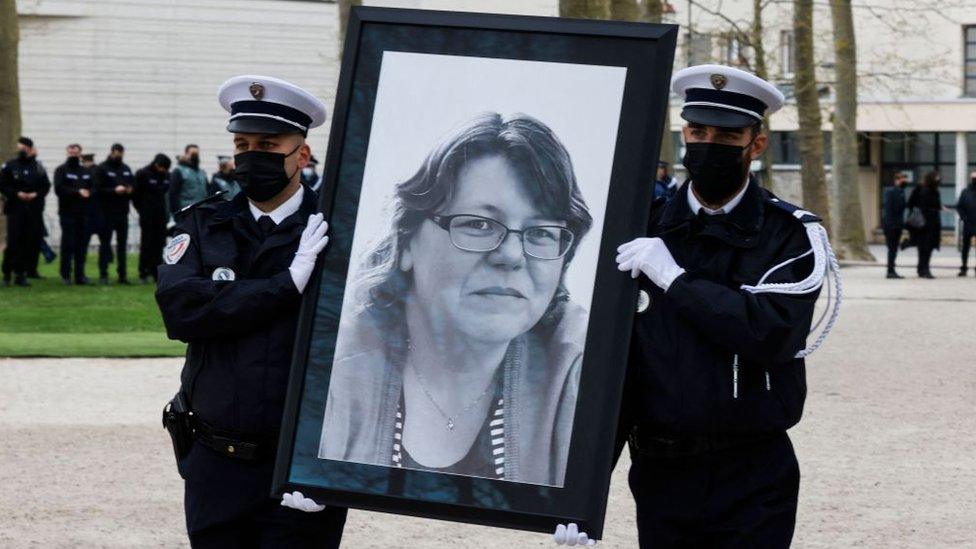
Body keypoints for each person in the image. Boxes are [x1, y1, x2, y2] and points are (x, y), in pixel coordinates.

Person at [560, 65, 841, 548]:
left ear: (757, 144)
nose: (709, 144)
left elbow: (771, 334)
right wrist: (579, 496)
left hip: (752, 470)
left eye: (728, 135)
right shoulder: (639, 228)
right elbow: (614, 368)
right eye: (698, 131)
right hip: (662, 470)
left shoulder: (791, 235)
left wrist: (676, 280)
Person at [319, 113, 593, 487]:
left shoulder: (578, 370)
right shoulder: (332, 366)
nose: (512, 255)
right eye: (479, 224)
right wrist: (305, 479)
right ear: (406, 243)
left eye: (542, 232)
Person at [156, 74, 346, 546]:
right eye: (243, 144)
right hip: (215, 460)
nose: (251, 155)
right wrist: (285, 287)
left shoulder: (338, 229)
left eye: (268, 143)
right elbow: (182, 312)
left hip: (301, 466)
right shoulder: (202, 222)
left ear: (301, 154)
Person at [1, 136, 50, 287]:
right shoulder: (10, 165)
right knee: (14, 242)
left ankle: (21, 274)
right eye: (19, 147)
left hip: (32, 210)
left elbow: (46, 185)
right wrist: (16, 194)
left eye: (23, 147)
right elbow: (2, 184)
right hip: (16, 209)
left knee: (27, 242)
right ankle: (7, 274)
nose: (20, 149)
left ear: (29, 149)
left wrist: (35, 194)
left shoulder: (38, 167)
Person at [93, 143, 134, 284]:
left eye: (121, 153)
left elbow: (132, 186)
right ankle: (103, 274)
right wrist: (114, 190)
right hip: (106, 213)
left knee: (122, 245)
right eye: (116, 153)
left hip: (123, 213)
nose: (119, 155)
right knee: (105, 244)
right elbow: (97, 190)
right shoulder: (102, 168)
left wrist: (129, 190)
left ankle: (122, 275)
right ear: (111, 152)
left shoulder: (126, 169)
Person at [53, 143, 94, 285]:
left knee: (81, 246)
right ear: (67, 153)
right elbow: (59, 189)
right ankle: (65, 275)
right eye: (70, 152)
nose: (73, 155)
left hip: (83, 214)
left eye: (75, 153)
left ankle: (80, 275)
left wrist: (89, 192)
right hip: (67, 214)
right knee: (68, 245)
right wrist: (77, 192)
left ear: (80, 154)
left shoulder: (86, 171)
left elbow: (93, 188)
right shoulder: (61, 170)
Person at [133, 153, 172, 283]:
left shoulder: (166, 175)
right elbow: (135, 195)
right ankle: (143, 272)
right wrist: (142, 210)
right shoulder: (143, 174)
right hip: (147, 214)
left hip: (160, 215)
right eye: (163, 168)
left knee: (159, 243)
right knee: (146, 243)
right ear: (157, 164)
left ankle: (156, 271)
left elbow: (165, 193)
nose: (164, 171)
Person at [906, 171, 944, 279]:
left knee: (927, 247)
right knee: (924, 247)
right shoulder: (920, 189)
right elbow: (910, 203)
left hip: (932, 223)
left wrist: (939, 207)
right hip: (922, 223)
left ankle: (922, 268)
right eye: (936, 177)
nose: (938, 179)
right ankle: (924, 269)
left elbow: (936, 205)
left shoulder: (935, 191)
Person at [882, 171, 908, 279]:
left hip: (897, 225)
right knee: (892, 248)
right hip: (891, 225)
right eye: (903, 179)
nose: (905, 181)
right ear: (897, 180)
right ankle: (890, 270)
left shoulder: (901, 192)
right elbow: (889, 210)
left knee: (894, 248)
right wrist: (891, 224)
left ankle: (892, 269)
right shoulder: (891, 192)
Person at [168, 144, 208, 215]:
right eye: (193, 154)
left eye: (197, 154)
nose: (195, 156)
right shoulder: (179, 171)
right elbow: (173, 194)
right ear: (186, 154)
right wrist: (176, 213)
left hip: (201, 211)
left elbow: (207, 192)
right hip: (186, 213)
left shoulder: (202, 173)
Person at [956, 171, 976, 277]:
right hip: (968, 223)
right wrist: (964, 218)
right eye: (974, 178)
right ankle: (964, 267)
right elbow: (959, 206)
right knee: (965, 247)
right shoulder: (965, 192)